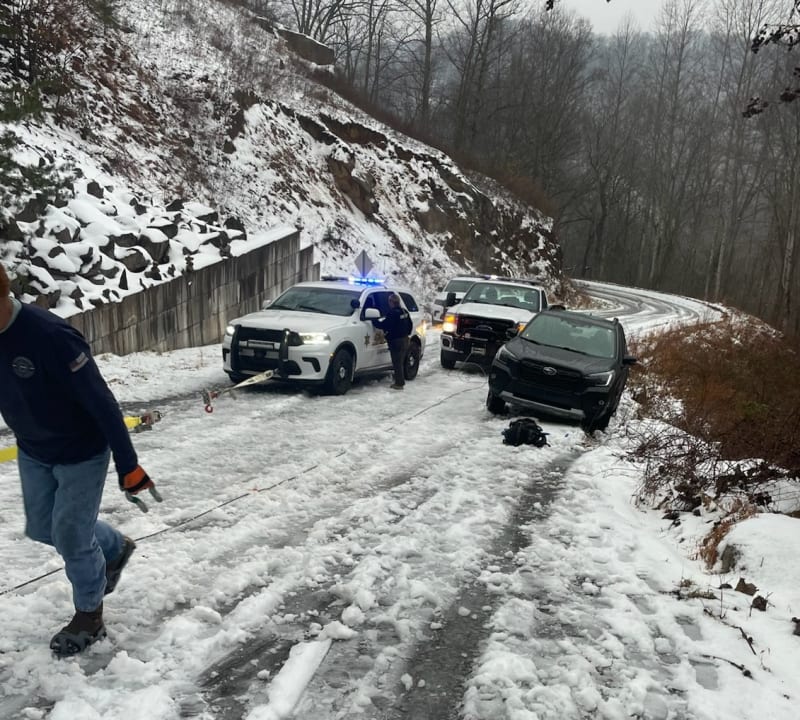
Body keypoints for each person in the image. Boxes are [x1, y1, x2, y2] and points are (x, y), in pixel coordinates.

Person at [0, 263, 156, 657]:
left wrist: (128, 465)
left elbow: (102, 403)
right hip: (34, 448)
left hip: (81, 450)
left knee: (70, 534)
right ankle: (114, 547)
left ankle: (90, 615)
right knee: (42, 528)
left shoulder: (50, 336)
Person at [372, 293, 413, 390]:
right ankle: (399, 380)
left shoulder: (393, 313)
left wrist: (374, 321)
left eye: (389, 302)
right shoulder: (404, 311)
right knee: (401, 361)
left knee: (397, 362)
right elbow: (410, 324)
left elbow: (385, 325)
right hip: (405, 339)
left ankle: (399, 383)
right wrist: (407, 334)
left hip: (396, 341)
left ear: (391, 302)